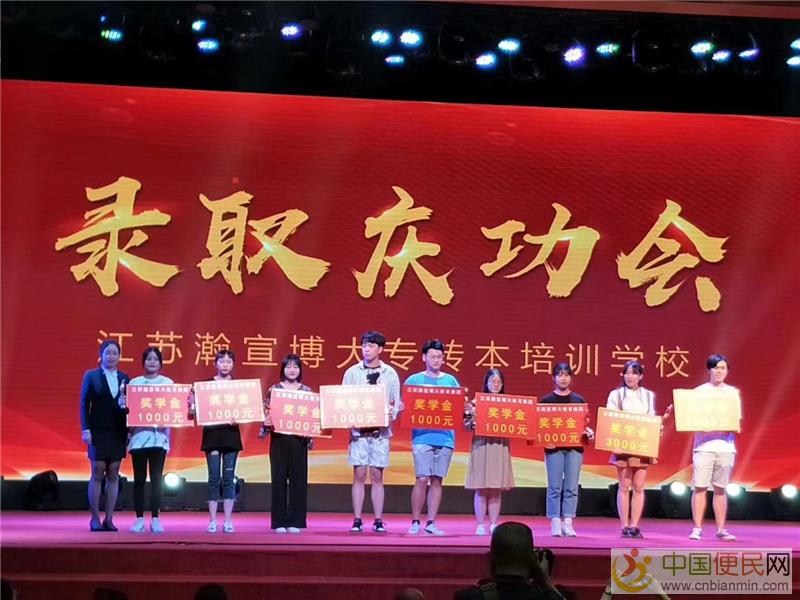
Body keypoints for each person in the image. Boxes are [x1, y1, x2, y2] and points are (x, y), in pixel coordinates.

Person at [342, 331, 402, 533]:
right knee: (359, 475)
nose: (366, 349)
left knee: (377, 476)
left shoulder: (390, 373)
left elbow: (395, 403)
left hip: (380, 434)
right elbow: (343, 401)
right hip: (358, 434)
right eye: (364, 346)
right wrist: (347, 417)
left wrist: (391, 413)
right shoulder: (352, 373)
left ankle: (378, 520)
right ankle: (357, 520)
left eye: (371, 346)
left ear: (380, 349)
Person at [606, 360, 670, 539]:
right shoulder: (616, 395)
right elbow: (610, 418)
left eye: (634, 373)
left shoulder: (648, 395)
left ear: (640, 376)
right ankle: (624, 526)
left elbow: (651, 418)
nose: (630, 376)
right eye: (627, 372)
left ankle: (634, 525)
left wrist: (660, 423)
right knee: (624, 486)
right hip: (623, 444)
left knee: (639, 486)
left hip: (641, 445)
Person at [406, 339, 460, 536]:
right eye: (432, 356)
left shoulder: (451, 381)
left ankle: (431, 522)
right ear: (424, 357)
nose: (436, 360)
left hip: (445, 438)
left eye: (439, 357)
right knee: (421, 479)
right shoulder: (413, 381)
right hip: (422, 437)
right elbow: (405, 407)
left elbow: (458, 408)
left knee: (437, 480)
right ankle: (415, 521)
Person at [188, 349, 242, 533]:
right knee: (213, 479)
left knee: (229, 480)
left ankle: (228, 521)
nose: (225, 365)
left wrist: (239, 416)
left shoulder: (239, 388)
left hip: (231, 436)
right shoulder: (205, 386)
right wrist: (192, 404)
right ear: (215, 364)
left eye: (228, 362)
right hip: (212, 436)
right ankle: (212, 521)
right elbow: (194, 411)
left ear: (233, 364)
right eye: (221, 361)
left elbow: (246, 410)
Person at [80, 339, 130, 532]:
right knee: (97, 470)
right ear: (101, 355)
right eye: (107, 353)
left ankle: (109, 519)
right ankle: (94, 518)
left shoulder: (124, 378)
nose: (111, 356)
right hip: (98, 429)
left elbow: (129, 406)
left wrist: (128, 431)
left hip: (118, 430)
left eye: (115, 353)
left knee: (114, 472)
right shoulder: (91, 375)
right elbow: (84, 403)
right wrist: (86, 428)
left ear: (119, 356)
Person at [540, 363, 593, 537]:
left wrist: (588, 433)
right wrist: (544, 440)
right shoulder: (546, 401)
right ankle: (555, 520)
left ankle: (568, 521)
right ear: (553, 378)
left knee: (571, 487)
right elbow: (540, 427)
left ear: (571, 378)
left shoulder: (578, 400)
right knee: (554, 487)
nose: (563, 378)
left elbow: (584, 424)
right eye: (559, 374)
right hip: (554, 449)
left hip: (574, 449)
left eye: (566, 374)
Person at [261, 354, 312, 533]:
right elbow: (265, 412)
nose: (292, 370)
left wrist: (311, 432)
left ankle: (296, 521)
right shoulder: (274, 390)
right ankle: (279, 521)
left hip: (299, 441)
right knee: (278, 480)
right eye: (288, 366)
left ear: (300, 370)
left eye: (295, 366)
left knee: (298, 481)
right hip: (279, 440)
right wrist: (265, 422)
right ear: (283, 369)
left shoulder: (307, 391)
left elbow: (313, 416)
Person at [689, 354, 738, 542]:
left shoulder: (732, 393)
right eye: (716, 367)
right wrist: (700, 425)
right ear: (709, 370)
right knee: (700, 487)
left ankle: (721, 529)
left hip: (725, 447)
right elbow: (689, 419)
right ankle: (697, 528)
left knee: (720, 489)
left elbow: (736, 422)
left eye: (723, 368)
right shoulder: (699, 392)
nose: (719, 371)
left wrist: (728, 426)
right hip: (703, 447)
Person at [452, 522, 565, 600]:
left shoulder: (468, 597)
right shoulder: (549, 597)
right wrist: (546, 582)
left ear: (490, 559)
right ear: (534, 561)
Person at [128, 347, 173, 533]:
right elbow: (127, 410)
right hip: (138, 438)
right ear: (143, 362)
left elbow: (174, 409)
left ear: (161, 363)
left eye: (155, 359)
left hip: (159, 439)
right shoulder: (134, 383)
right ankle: (139, 519)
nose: (152, 362)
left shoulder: (168, 384)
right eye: (148, 359)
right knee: (139, 479)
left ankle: (155, 518)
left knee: (156, 479)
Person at [464, 368, 515, 535]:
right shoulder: (475, 403)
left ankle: (493, 524)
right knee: (481, 487)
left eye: (499, 381)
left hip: (499, 446)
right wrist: (470, 416)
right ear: (486, 383)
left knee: (495, 488)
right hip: (482, 445)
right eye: (492, 381)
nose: (496, 384)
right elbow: (467, 426)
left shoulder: (508, 404)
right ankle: (480, 524)